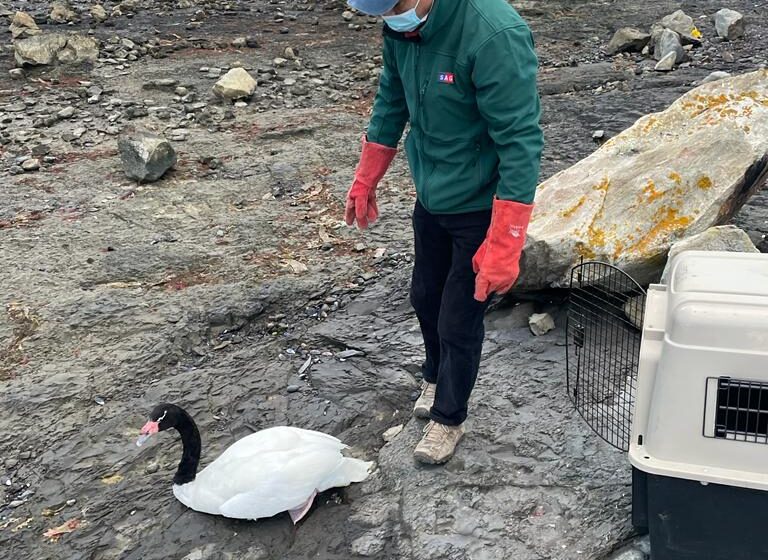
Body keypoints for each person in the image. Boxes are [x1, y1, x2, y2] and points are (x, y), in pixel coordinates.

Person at [344, 0, 543, 464]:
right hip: (433, 193)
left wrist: (506, 242)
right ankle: (434, 376)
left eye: (393, 5)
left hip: (481, 205)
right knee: (425, 296)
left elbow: (520, 141)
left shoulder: (494, 35)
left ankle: (449, 418)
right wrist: (367, 174)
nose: (389, 17)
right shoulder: (402, 27)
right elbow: (392, 96)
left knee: (459, 317)